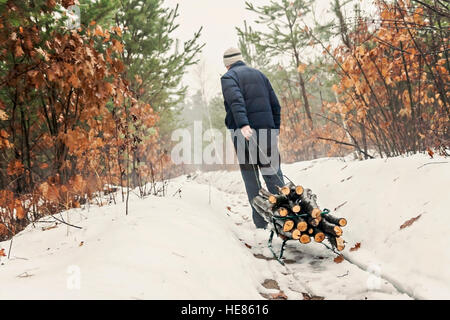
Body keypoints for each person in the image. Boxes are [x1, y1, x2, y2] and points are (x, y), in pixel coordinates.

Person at [220, 47, 285, 229]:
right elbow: (275, 105)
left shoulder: (229, 78)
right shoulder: (259, 75)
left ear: (227, 65)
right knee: (274, 175)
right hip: (267, 131)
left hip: (243, 134)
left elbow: (236, 100)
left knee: (252, 178)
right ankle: (286, 217)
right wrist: (275, 129)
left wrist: (243, 124)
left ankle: (261, 222)